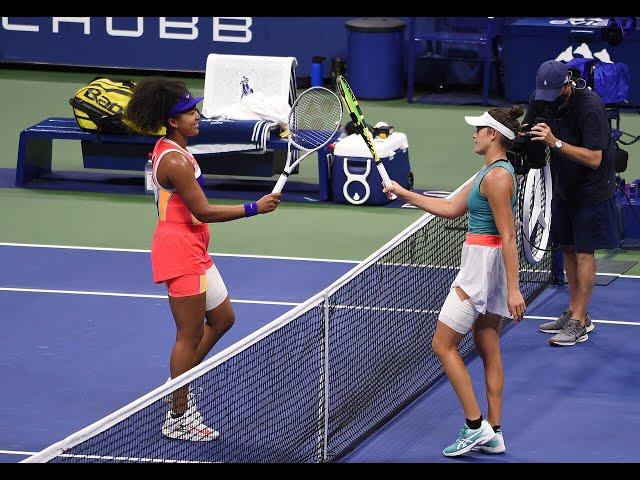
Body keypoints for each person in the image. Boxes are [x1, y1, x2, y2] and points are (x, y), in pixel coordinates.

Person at [125, 77, 281, 441]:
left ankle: (177, 383)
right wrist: (253, 208)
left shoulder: (173, 147)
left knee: (224, 318)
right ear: (172, 120)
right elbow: (204, 210)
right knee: (188, 334)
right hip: (179, 252)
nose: (197, 116)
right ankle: (178, 415)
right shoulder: (175, 161)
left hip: (194, 247)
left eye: (194, 109)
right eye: (189, 112)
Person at [383, 107, 526, 457]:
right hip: (487, 265)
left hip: (481, 266)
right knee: (487, 342)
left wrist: (514, 288)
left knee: (442, 344)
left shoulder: (496, 178)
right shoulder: (490, 172)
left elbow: (508, 236)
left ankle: (474, 425)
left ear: (494, 135)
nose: (474, 134)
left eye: (479, 129)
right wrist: (402, 192)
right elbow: (449, 208)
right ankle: (494, 431)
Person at [524, 60, 617, 346]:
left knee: (584, 252)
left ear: (567, 85)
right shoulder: (542, 98)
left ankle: (579, 321)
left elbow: (595, 158)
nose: (547, 101)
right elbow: (530, 128)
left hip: (592, 189)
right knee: (566, 247)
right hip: (563, 183)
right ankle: (576, 312)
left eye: (554, 93)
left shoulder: (591, 106)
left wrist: (556, 143)